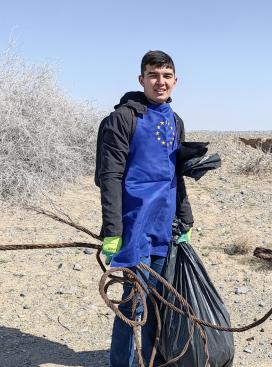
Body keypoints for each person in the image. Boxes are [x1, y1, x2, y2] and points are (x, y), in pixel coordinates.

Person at [96, 50, 193, 367]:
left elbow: (175, 175)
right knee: (132, 304)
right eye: (153, 75)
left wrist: (185, 220)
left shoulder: (175, 121)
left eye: (166, 76)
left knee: (157, 300)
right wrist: (112, 232)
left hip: (164, 226)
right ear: (142, 79)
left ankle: (151, 359)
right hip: (134, 226)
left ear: (175, 82)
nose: (160, 82)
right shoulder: (124, 118)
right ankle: (120, 363)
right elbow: (110, 176)